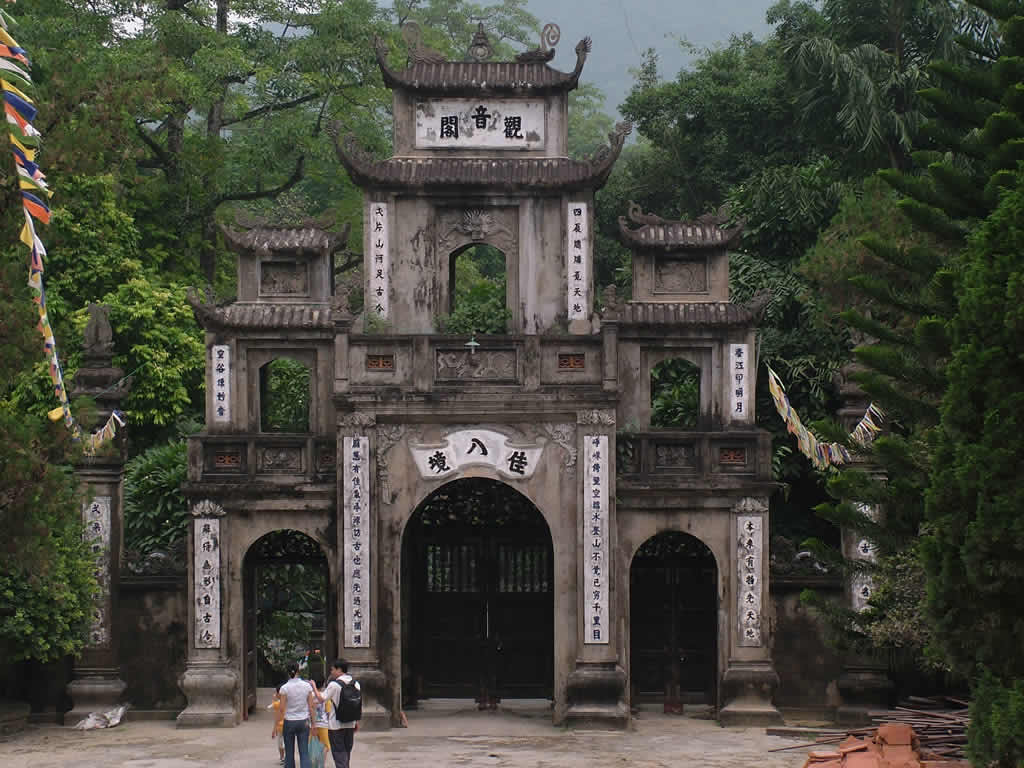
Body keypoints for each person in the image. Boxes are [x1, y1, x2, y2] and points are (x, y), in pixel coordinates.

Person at [322, 659, 361, 768]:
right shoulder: (356, 683)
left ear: (339, 669)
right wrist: (356, 721)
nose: (331, 672)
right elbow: (356, 704)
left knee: (339, 753)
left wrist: (314, 688)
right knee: (346, 752)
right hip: (350, 723)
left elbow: (321, 698)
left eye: (333, 670)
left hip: (336, 725)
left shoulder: (334, 684)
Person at [279, 661, 315, 768]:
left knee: (289, 753)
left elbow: (281, 708)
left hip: (289, 720)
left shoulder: (284, 688)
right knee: (304, 752)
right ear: (298, 670)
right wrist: (314, 723)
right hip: (303, 721)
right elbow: (311, 706)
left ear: (287, 672)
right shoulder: (307, 686)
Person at [308, 677, 331, 768]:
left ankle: (314, 763)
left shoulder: (310, 696)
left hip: (312, 725)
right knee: (326, 746)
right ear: (323, 685)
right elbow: (328, 712)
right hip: (323, 724)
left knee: (313, 745)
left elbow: (309, 710)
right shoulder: (325, 696)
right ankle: (321, 764)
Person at [269, 684, 286, 765]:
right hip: (284, 726)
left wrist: (274, 698)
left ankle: (283, 757)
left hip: (282, 727)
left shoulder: (278, 703)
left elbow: (269, 707)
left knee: (281, 744)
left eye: (276, 692)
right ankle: (284, 758)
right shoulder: (286, 702)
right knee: (282, 743)